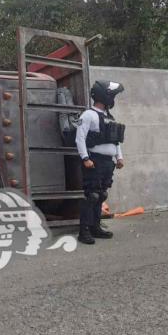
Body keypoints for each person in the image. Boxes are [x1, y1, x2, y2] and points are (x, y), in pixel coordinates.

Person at [75, 80, 126, 244]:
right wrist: (85, 158)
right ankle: (84, 231)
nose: (113, 99)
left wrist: (119, 157)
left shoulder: (109, 118)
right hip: (94, 161)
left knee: (101, 195)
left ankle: (96, 228)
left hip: (107, 163)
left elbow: (116, 141)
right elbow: (80, 138)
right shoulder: (88, 115)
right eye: (112, 96)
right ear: (103, 96)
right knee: (92, 195)